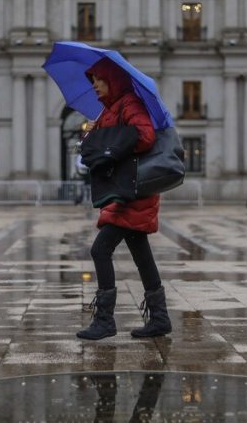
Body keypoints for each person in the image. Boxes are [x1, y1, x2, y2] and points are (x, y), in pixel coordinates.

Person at [76, 57, 171, 341]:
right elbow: (101, 146)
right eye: (92, 80)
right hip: (125, 191)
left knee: (100, 250)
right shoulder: (109, 110)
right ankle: (160, 318)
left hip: (131, 192)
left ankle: (105, 320)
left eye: (99, 79)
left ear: (112, 80)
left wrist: (113, 146)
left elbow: (144, 136)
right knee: (141, 254)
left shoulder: (129, 104)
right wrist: (92, 135)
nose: (94, 85)